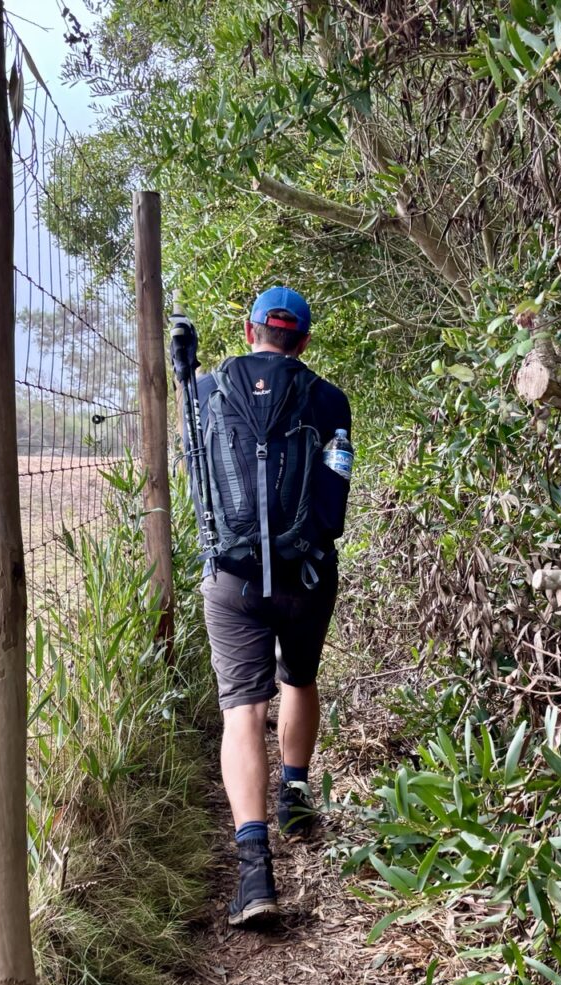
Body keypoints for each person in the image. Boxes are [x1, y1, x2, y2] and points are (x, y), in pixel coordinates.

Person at [188, 286, 353, 926]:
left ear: (249, 329)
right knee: (300, 679)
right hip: (305, 575)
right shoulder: (330, 399)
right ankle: (295, 795)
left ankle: (255, 871)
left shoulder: (204, 392)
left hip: (231, 579)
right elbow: (334, 499)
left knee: (242, 711)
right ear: (303, 341)